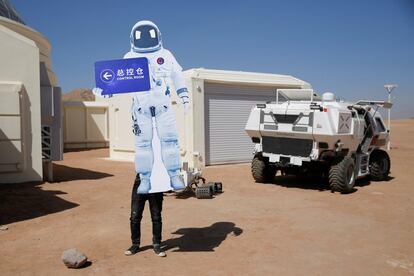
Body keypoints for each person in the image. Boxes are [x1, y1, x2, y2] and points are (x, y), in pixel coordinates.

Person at [124, 174, 166, 257]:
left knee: (156, 216)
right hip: (140, 181)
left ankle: (157, 244)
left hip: (156, 183)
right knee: (135, 216)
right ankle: (135, 244)